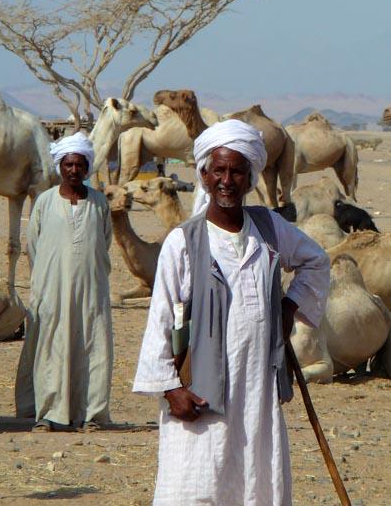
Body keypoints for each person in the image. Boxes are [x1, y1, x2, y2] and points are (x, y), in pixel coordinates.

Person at [133, 119, 330, 505]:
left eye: (237, 170)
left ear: (249, 176)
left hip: (258, 388)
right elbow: (159, 319)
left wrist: (289, 307)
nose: (227, 179)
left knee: (254, 480)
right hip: (201, 393)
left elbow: (316, 261)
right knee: (196, 481)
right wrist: (171, 388)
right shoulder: (183, 242)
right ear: (204, 175)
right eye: (218, 170)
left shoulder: (269, 227)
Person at [15, 131, 113, 432]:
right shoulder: (44, 202)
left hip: (91, 292)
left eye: (79, 164)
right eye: (68, 164)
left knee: (93, 348)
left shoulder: (98, 203)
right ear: (60, 166)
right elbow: (34, 244)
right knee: (50, 347)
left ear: (87, 167)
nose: (73, 170)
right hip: (51, 291)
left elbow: (104, 242)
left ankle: (92, 414)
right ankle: (48, 414)